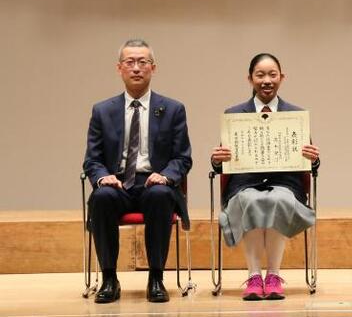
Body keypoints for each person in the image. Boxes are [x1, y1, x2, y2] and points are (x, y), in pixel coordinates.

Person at [83, 39, 192, 303]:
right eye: (130, 62)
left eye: (142, 62)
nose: (136, 68)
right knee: (101, 197)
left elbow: (183, 157)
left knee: (160, 195)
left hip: (153, 182)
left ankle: (156, 277)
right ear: (119, 68)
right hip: (117, 184)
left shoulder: (173, 109)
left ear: (153, 68)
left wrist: (166, 175)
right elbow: (91, 160)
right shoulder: (103, 110)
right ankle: (109, 278)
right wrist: (101, 177)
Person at [211, 53, 320, 301]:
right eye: (260, 75)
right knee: (250, 200)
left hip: (285, 184)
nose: (267, 80)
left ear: (282, 77)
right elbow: (221, 165)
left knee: (277, 200)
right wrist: (217, 160)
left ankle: (273, 275)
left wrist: (313, 157)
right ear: (250, 79)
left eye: (272, 74)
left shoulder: (296, 115)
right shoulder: (235, 114)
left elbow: (310, 164)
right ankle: (253, 275)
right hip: (244, 184)